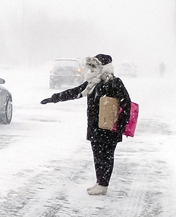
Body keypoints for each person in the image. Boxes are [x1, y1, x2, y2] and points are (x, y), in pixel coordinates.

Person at [40, 54, 131, 196]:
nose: (92, 70)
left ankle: (103, 184)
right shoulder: (92, 83)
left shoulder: (114, 83)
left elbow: (126, 103)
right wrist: (54, 98)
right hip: (96, 127)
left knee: (106, 156)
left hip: (109, 128)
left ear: (103, 67)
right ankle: (100, 182)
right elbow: (74, 92)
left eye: (95, 66)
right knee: (98, 155)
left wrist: (121, 125)